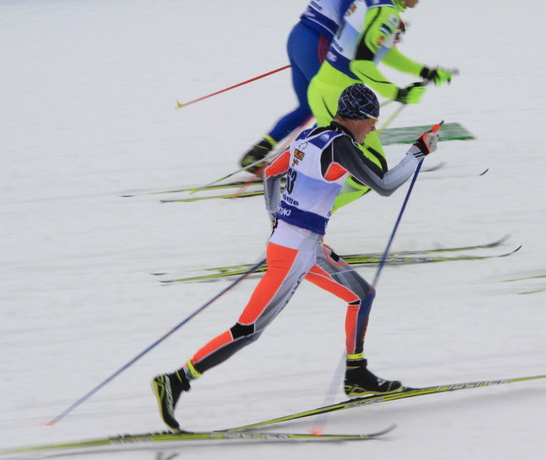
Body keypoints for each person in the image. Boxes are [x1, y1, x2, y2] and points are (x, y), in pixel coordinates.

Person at [153, 84, 440, 432]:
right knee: (248, 330)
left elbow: (272, 173)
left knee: (361, 295)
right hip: (294, 254)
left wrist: (277, 218)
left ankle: (356, 374)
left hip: (305, 247)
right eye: (372, 121)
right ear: (359, 118)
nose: (374, 128)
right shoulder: (342, 146)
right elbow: (384, 185)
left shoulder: (313, 137)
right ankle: (177, 380)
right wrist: (417, 152)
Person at [308, 0, 456, 210]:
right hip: (337, 98)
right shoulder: (387, 12)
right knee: (371, 174)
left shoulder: (377, 4)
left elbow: (384, 51)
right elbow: (360, 64)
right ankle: (305, 221)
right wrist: (398, 93)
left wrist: (425, 72)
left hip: (326, 91)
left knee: (334, 163)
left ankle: (298, 219)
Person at [238, 0, 350, 173]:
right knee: (332, 105)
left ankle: (258, 152)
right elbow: (348, 22)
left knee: (307, 107)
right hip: (316, 40)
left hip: (300, 36)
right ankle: (302, 161)